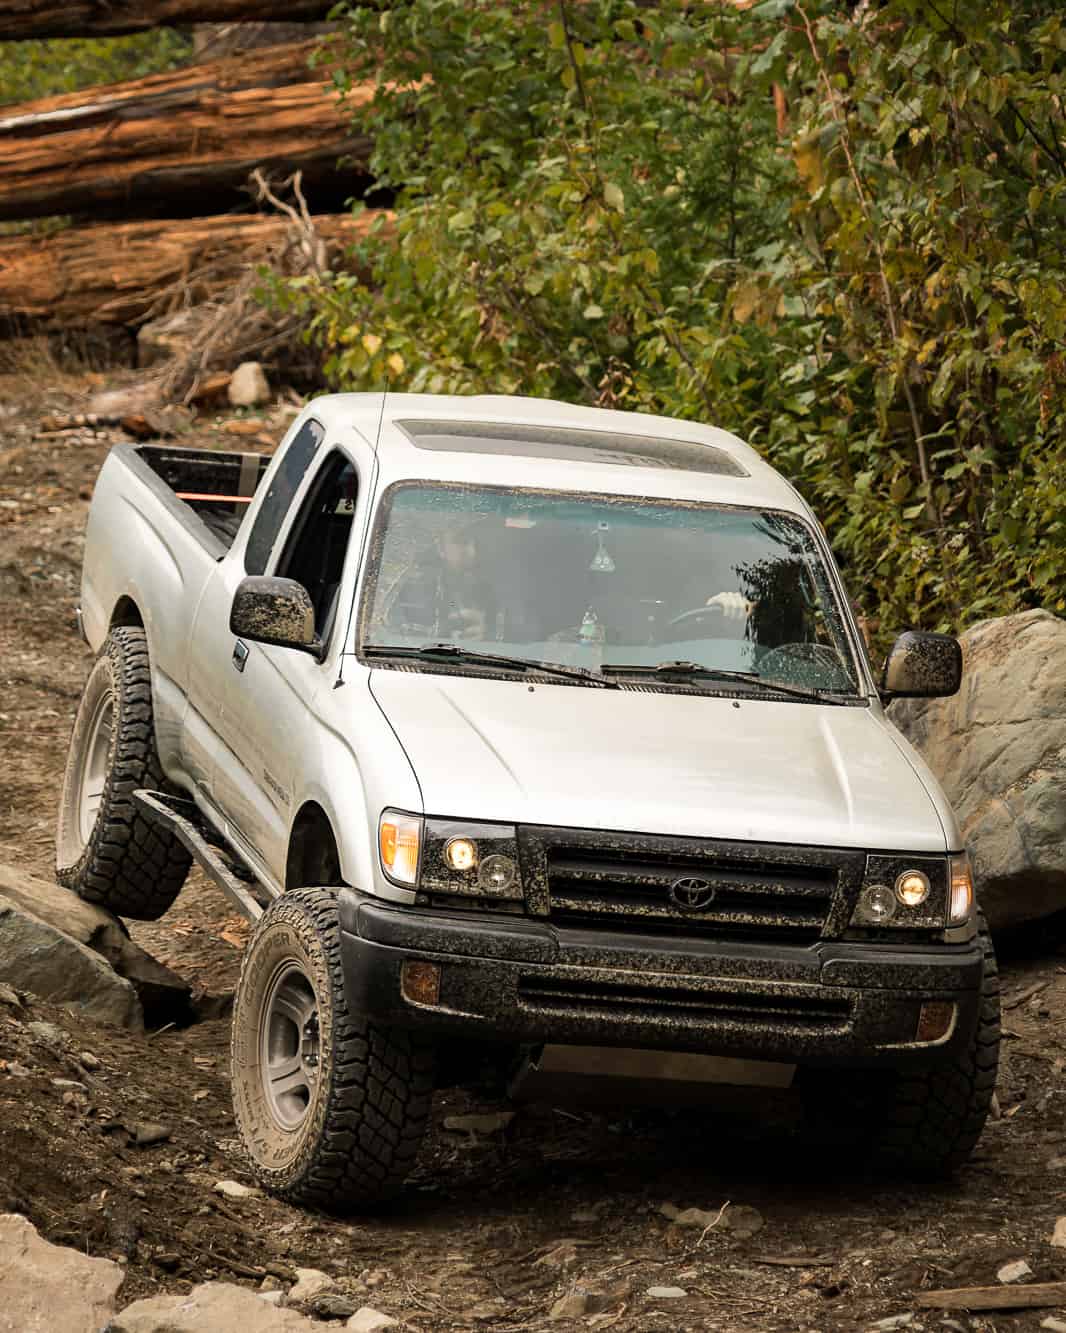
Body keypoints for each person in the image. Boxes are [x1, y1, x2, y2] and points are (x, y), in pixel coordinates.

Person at [387, 519, 498, 640]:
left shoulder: (488, 592)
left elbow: (501, 640)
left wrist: (485, 635)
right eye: (461, 541)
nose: (471, 551)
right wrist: (442, 631)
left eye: (475, 542)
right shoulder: (413, 587)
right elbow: (393, 635)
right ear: (440, 548)